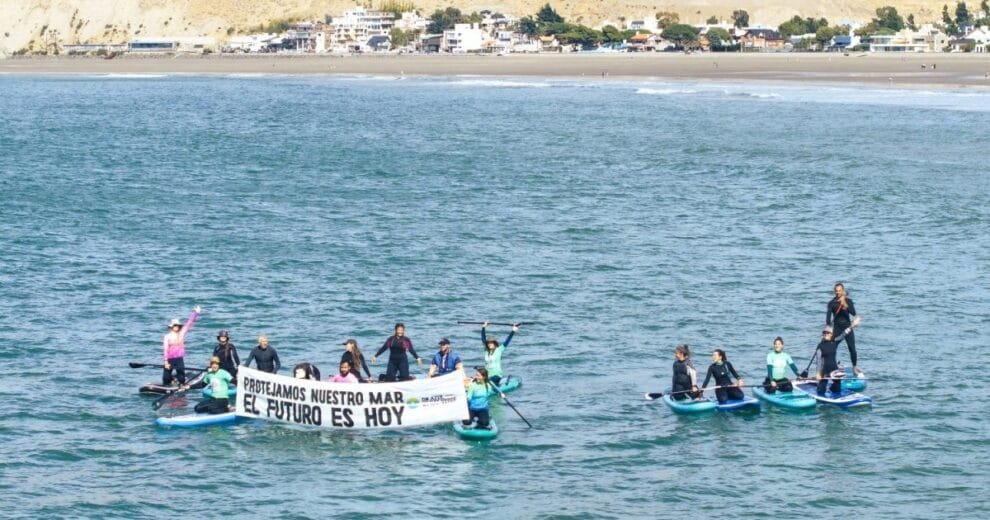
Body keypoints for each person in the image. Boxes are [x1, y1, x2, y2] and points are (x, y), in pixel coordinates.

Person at [810, 317, 862, 396]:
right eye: (824, 333)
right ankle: (819, 387)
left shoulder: (835, 342)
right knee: (821, 391)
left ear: (831, 334)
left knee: (837, 389)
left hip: (834, 370)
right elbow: (819, 361)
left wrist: (853, 325)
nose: (825, 334)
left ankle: (832, 388)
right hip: (824, 371)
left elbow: (844, 333)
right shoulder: (820, 346)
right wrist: (818, 373)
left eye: (827, 333)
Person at [826, 282, 862, 375]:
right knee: (832, 348)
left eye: (839, 291)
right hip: (837, 328)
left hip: (848, 327)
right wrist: (828, 330)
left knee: (852, 348)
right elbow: (828, 319)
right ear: (834, 291)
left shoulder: (848, 301)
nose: (838, 293)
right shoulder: (831, 303)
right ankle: (831, 367)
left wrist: (845, 304)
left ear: (843, 290)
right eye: (836, 291)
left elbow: (853, 313)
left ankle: (854, 367)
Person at [162, 305, 202, 386]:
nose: (176, 327)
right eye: (175, 325)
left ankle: (179, 382)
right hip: (170, 359)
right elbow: (165, 350)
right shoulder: (167, 336)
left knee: (181, 378)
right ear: (172, 327)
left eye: (177, 325)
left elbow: (189, 323)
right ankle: (172, 380)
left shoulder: (182, 333)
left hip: (179, 358)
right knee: (166, 378)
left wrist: (196, 313)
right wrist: (166, 362)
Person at [481, 321, 518, 386]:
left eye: (491, 343)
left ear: (495, 344)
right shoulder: (486, 350)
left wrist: (513, 331)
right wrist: (483, 327)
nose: (489, 344)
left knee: (488, 382)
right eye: (488, 343)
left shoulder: (499, 350)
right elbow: (483, 339)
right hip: (487, 375)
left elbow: (507, 341)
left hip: (496, 375)